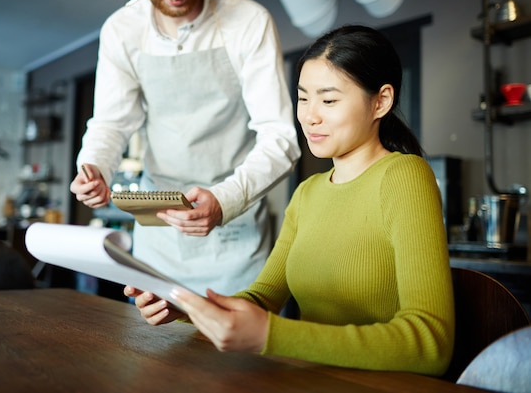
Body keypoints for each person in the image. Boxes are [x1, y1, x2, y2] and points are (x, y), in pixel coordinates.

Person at [125, 25, 455, 377]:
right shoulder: (308, 192)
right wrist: (190, 307)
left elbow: (431, 342)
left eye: (328, 100)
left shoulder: (404, 176)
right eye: (303, 98)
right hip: (306, 380)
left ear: (381, 101)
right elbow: (263, 298)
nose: (310, 116)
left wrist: (272, 334)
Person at [70, 0, 300, 295]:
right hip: (158, 237)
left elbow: (280, 138)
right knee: (152, 342)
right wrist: (94, 166)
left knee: (236, 344)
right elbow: (111, 122)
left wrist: (225, 199)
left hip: (235, 234)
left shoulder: (249, 19)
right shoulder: (121, 29)